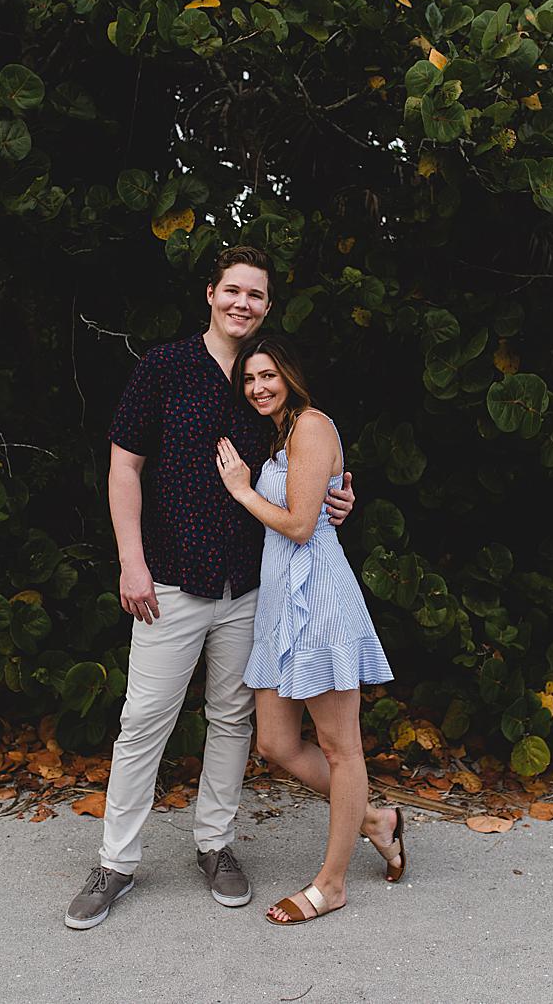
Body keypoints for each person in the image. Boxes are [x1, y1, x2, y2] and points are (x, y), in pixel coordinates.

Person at [68, 247, 358, 930]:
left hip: (251, 585)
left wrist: (342, 495)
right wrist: (130, 562)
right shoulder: (165, 368)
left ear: (267, 306)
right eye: (233, 291)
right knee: (144, 722)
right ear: (210, 294)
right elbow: (123, 466)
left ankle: (216, 844)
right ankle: (115, 862)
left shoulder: (265, 382)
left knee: (230, 720)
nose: (242, 304)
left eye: (255, 295)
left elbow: (311, 459)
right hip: (168, 579)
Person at [214, 333, 402, 923]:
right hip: (281, 603)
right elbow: (311, 503)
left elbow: (298, 525)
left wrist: (241, 490)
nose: (257, 388)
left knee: (340, 748)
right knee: (274, 741)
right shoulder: (282, 436)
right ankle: (374, 819)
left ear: (290, 375)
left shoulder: (312, 425)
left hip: (317, 598)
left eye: (267, 375)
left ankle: (332, 883)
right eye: (248, 379)